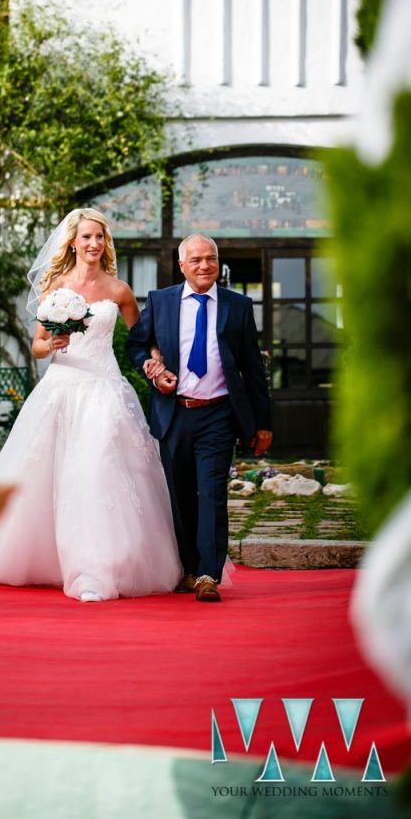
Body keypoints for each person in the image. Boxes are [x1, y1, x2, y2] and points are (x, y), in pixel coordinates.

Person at [0, 208, 182, 602]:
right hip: (62, 388)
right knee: (53, 475)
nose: (94, 244)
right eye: (86, 237)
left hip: (105, 389)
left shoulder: (119, 291)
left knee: (97, 469)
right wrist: (51, 344)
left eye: (100, 238)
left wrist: (156, 361)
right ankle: (52, 560)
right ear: (73, 242)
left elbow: (142, 338)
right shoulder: (54, 287)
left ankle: (97, 570)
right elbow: (37, 345)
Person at [126, 234, 272, 603]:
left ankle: (209, 572)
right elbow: (136, 344)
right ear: (182, 266)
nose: (204, 266)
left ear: (218, 263)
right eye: (196, 260)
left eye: (210, 259)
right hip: (174, 413)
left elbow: (254, 368)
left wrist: (263, 423)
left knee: (211, 492)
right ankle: (189, 568)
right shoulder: (161, 302)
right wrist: (152, 369)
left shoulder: (238, 306)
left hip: (219, 415)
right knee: (180, 495)